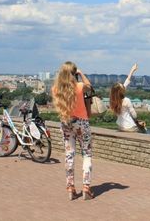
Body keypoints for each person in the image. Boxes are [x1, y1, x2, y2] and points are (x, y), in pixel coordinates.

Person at [51, 61, 94, 201]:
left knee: (69, 155)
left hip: (66, 123)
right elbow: (90, 87)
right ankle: (86, 188)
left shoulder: (55, 89)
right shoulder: (80, 86)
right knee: (86, 154)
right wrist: (81, 73)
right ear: (74, 73)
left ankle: (70, 187)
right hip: (82, 123)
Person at [110, 63, 147, 133]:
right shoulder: (126, 100)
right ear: (121, 91)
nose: (124, 87)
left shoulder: (114, 100)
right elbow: (134, 115)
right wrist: (138, 121)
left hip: (120, 126)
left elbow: (126, 82)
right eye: (122, 87)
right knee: (144, 130)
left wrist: (132, 70)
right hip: (130, 127)